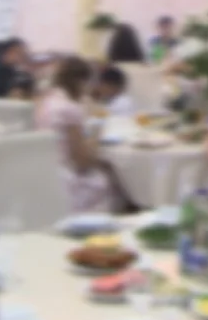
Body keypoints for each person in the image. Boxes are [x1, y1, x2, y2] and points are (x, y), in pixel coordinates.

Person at [37, 56, 141, 213]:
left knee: (109, 167)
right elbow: (82, 161)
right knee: (116, 173)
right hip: (69, 181)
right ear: (80, 82)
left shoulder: (47, 102)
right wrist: (95, 140)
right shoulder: (69, 109)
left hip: (46, 174)